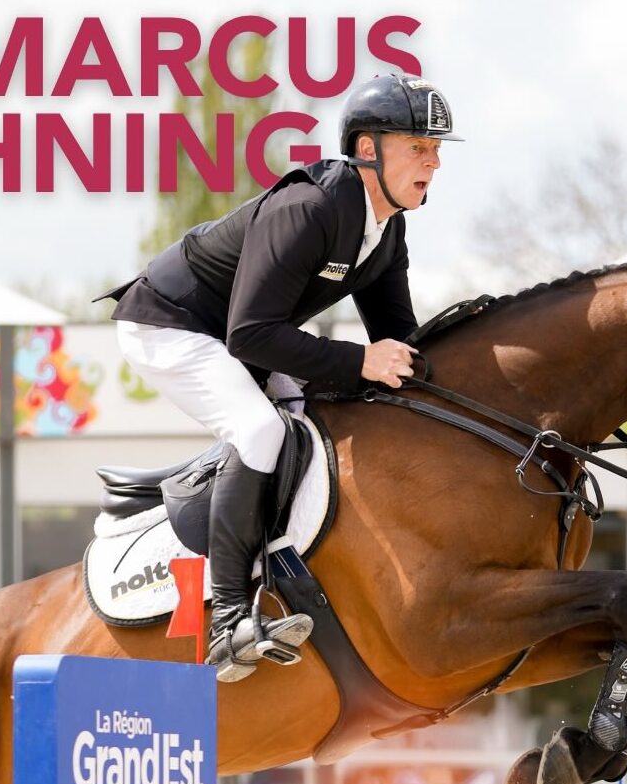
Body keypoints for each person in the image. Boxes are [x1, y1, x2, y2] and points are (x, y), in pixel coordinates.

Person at [97, 73, 462, 682]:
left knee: (315, 423)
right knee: (261, 432)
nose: (433, 162)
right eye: (417, 147)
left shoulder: (387, 230)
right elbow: (250, 335)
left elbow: (401, 343)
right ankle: (229, 619)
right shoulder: (311, 207)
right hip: (171, 323)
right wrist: (356, 361)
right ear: (367, 149)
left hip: (241, 334)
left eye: (437, 150)